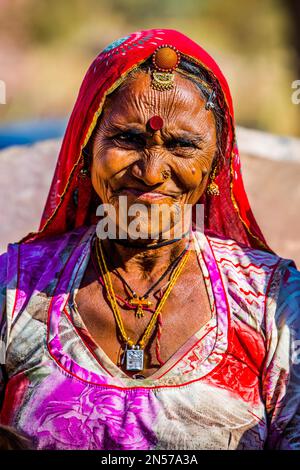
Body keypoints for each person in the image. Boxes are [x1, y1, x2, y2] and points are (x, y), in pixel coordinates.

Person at [0, 28, 299, 451]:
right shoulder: (13, 293)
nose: (152, 171)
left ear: (216, 165)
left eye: (182, 145)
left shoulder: (271, 304)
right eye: (128, 139)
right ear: (85, 149)